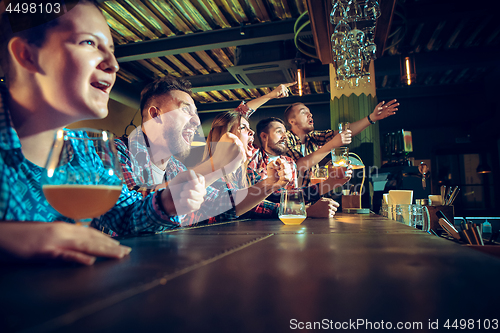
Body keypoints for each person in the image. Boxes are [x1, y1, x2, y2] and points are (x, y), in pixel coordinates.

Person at [0, 0, 206, 265]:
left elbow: (123, 214)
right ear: (27, 55)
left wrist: (167, 201)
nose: (113, 64)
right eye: (88, 43)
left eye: (111, 50)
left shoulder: (82, 152)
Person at [115, 77, 295, 224]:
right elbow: (129, 211)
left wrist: (268, 185)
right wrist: (214, 166)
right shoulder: (117, 151)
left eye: (196, 114)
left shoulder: (176, 167)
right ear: (156, 115)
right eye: (186, 111)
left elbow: (220, 205)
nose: (196, 122)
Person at [203, 112, 340, 218]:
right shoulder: (209, 172)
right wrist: (303, 211)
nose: (252, 132)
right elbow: (236, 206)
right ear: (225, 136)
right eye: (243, 128)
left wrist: (329, 184)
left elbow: (278, 196)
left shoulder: (247, 172)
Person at [248, 117, 353, 217]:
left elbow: (288, 197)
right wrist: (304, 211)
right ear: (264, 136)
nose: (285, 136)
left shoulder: (289, 162)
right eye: (279, 132)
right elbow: (252, 202)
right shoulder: (252, 157)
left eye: (285, 132)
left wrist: (329, 184)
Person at [284, 100, 399, 186]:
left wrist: (372, 118)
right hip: (292, 199)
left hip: (311, 197)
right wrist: (333, 144)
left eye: (310, 112)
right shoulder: (285, 139)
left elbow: (344, 132)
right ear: (292, 121)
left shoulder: (313, 137)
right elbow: (299, 165)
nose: (310, 115)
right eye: (303, 112)